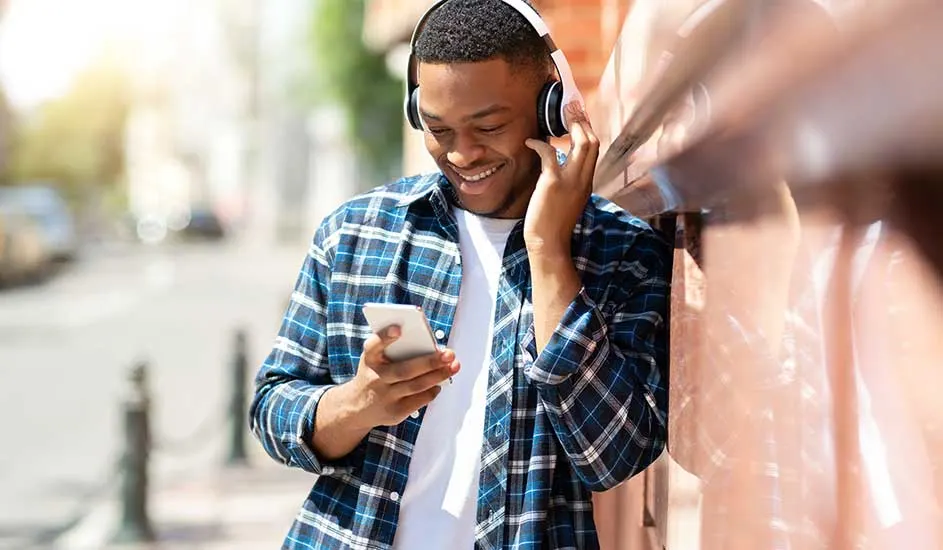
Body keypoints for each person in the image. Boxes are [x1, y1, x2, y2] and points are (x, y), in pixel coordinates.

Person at [249, 1, 671, 548]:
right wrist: (358, 404)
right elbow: (271, 406)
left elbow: (612, 455)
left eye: (488, 126)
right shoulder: (356, 232)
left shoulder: (624, 253)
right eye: (437, 128)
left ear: (553, 110)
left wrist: (547, 253)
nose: (463, 153)